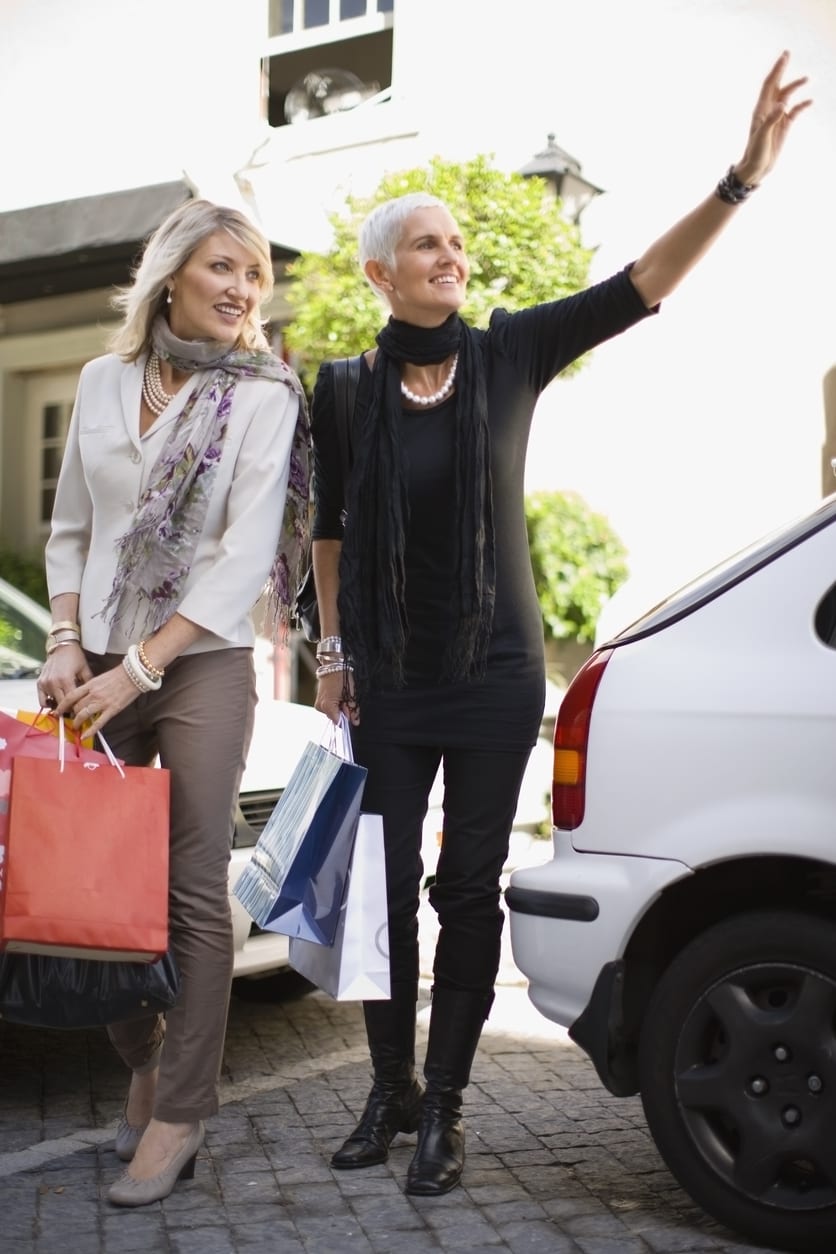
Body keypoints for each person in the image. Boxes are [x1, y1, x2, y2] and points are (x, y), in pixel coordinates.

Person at [309, 51, 811, 1197]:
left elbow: (640, 286)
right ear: (383, 272)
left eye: (455, 241)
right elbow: (327, 530)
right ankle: (384, 1092)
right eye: (428, 244)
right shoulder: (340, 392)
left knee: (465, 890)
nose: (453, 254)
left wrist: (737, 179)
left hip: (490, 674)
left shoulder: (506, 353)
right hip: (387, 676)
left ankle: (442, 1106)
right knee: (384, 892)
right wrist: (333, 653)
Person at [38, 199, 309, 1207]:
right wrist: (67, 642)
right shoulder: (101, 381)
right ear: (171, 274)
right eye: (224, 266)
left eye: (255, 274)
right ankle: (144, 1061)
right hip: (94, 656)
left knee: (192, 893)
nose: (243, 288)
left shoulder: (264, 397)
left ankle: (183, 1112)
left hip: (197, 664)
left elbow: (241, 558)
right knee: (91, 887)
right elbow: (69, 529)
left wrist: (137, 672)